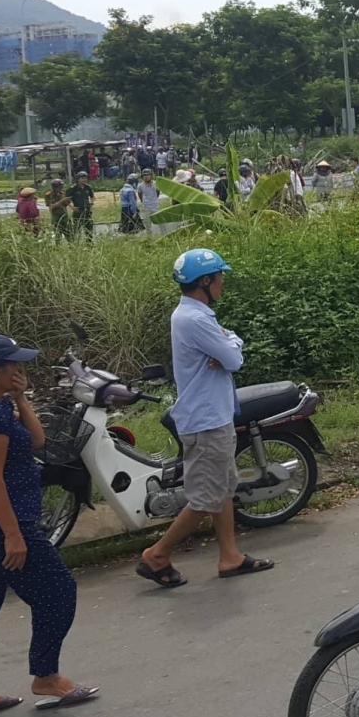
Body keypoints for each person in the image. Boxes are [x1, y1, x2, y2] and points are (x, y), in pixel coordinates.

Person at [0, 335, 98, 717]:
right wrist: (13, 534)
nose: (21, 370)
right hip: (4, 524)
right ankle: (46, 676)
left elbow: (38, 441)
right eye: (15, 365)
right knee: (58, 592)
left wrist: (22, 400)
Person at [136, 251, 274, 588]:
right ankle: (157, 554)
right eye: (219, 277)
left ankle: (230, 556)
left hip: (212, 415)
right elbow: (235, 359)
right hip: (206, 420)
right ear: (205, 282)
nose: (223, 282)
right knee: (205, 498)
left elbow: (228, 350)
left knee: (223, 489)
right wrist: (230, 343)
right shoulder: (196, 320)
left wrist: (228, 343)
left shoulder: (193, 314)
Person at [67, 171, 95, 239]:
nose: (84, 180)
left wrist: (91, 203)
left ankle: (90, 245)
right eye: (82, 178)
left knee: (89, 230)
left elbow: (92, 196)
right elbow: (66, 198)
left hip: (87, 211)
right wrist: (72, 207)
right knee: (77, 230)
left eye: (85, 178)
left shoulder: (88, 187)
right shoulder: (73, 188)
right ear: (78, 179)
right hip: (78, 211)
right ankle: (76, 244)